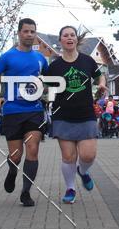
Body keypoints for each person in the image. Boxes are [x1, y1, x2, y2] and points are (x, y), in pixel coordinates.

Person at [0, 18, 48, 207]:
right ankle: (12, 171)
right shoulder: (8, 56)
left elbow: (51, 79)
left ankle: (26, 192)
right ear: (19, 33)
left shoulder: (40, 59)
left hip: (34, 110)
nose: (30, 35)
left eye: (33, 31)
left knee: (33, 149)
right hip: (12, 111)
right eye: (26, 31)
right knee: (15, 155)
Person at [46, 26, 107, 203]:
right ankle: (70, 188)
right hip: (62, 115)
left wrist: (102, 84)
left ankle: (83, 171)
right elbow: (42, 86)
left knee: (88, 156)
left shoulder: (87, 61)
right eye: (65, 35)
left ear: (76, 39)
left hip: (86, 114)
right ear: (60, 40)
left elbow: (99, 77)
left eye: (72, 35)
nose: (69, 38)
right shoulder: (54, 66)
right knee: (68, 157)